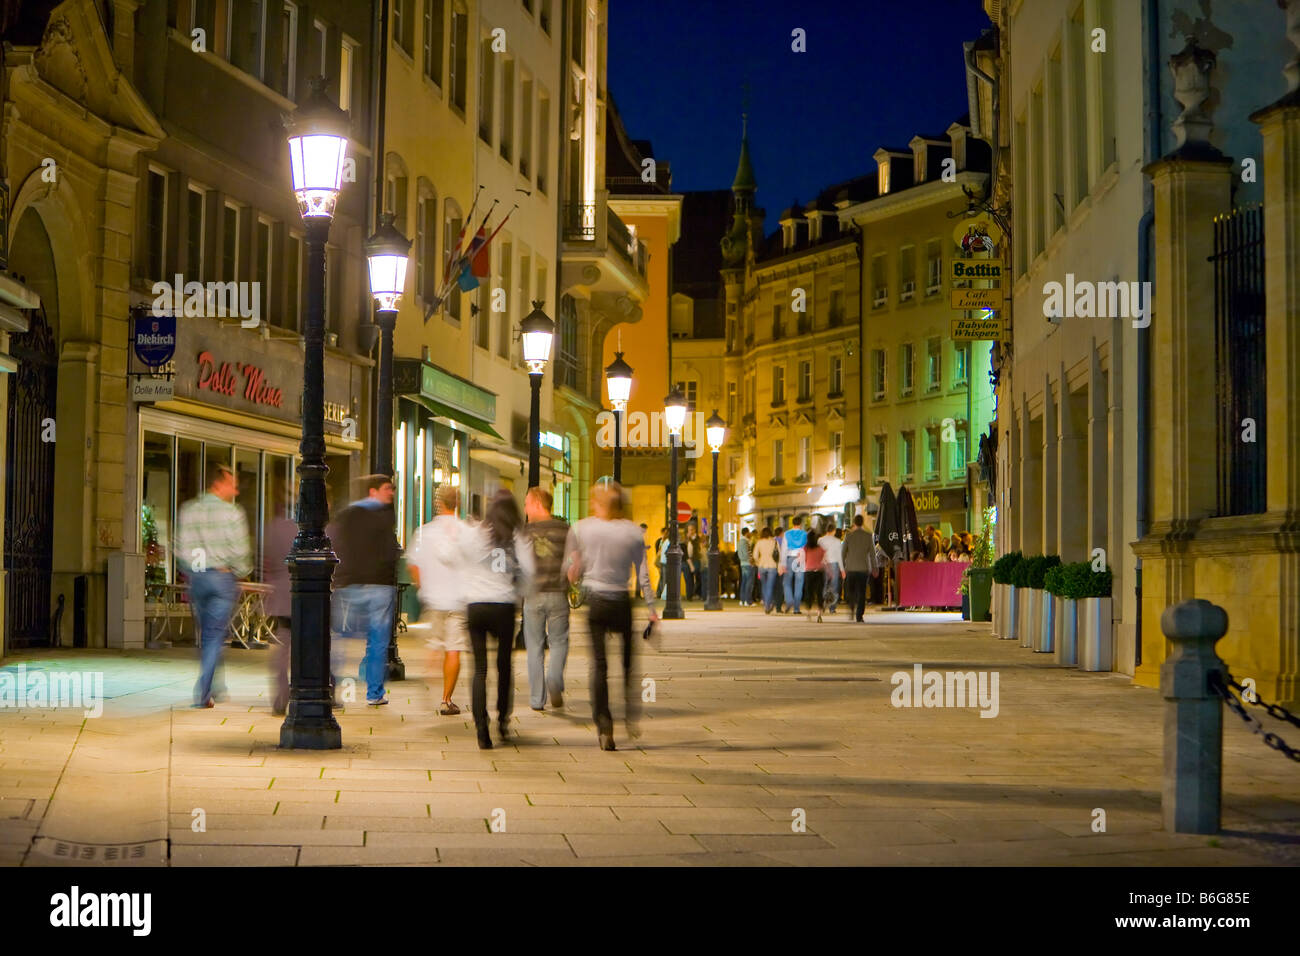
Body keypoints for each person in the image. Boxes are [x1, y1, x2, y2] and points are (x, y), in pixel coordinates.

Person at [563, 481, 658, 752]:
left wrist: (574, 575)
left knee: (599, 665)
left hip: (596, 602)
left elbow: (570, 569)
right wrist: (652, 608)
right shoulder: (633, 532)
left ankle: (605, 727)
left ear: (597, 503)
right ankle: (630, 714)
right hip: (621, 601)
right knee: (628, 664)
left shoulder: (581, 528)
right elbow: (643, 574)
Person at [459, 490, 534, 749]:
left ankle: (481, 728)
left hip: (476, 606)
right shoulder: (517, 537)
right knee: (504, 667)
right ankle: (503, 720)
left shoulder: (475, 533)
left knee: (479, 669)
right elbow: (529, 572)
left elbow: (459, 559)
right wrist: (519, 594)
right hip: (503, 606)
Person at [176, 462, 252, 708]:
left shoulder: (189, 510)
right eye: (233, 485)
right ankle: (203, 692)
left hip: (198, 579)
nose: (236, 492)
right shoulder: (232, 513)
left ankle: (217, 687)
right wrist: (241, 572)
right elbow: (239, 550)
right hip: (221, 578)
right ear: (219, 483)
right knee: (213, 635)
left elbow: (183, 548)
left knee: (209, 634)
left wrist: (194, 571)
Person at [325, 475, 401, 706]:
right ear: (373, 491)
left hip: (349, 584)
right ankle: (374, 693)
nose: (392, 493)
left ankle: (330, 687)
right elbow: (390, 550)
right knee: (377, 641)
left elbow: (337, 544)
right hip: (378, 586)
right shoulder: (384, 515)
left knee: (338, 637)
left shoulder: (346, 515)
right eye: (387, 488)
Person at [407, 484, 470, 716]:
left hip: (434, 600)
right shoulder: (466, 531)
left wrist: (423, 585)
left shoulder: (425, 532)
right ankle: (446, 699)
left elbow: (413, 564)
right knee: (453, 649)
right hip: (458, 601)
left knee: (434, 643)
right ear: (458, 504)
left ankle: (429, 680)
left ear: (439, 503)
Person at [520, 487, 570, 711]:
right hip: (558, 594)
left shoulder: (525, 532)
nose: (525, 508)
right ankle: (555, 679)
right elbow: (574, 561)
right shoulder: (565, 530)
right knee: (559, 642)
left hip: (533, 595)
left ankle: (536, 700)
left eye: (527, 503)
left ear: (538, 504)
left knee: (535, 647)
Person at [264, 493, 297, 715]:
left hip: (283, 598)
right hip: (309, 598)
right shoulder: (317, 530)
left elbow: (265, 562)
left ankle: (280, 697)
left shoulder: (273, 529)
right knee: (312, 647)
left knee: (283, 648)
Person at [841, 514, 878, 623]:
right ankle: (859, 615)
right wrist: (875, 567)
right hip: (863, 569)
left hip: (850, 568)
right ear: (862, 523)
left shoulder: (848, 536)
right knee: (862, 593)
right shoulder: (868, 536)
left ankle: (851, 606)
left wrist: (842, 567)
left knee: (850, 591)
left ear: (854, 523)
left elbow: (842, 554)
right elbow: (872, 554)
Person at [777, 519, 807, 615]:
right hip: (800, 558)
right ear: (800, 524)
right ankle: (796, 608)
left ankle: (789, 601)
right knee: (799, 583)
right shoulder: (804, 534)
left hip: (790, 558)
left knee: (787, 582)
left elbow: (784, 549)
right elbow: (806, 548)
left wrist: (782, 563)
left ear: (792, 524)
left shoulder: (787, 534)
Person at [753, 527, 780, 614]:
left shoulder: (759, 542)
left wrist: (758, 562)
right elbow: (779, 554)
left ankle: (766, 604)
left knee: (763, 586)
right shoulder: (774, 542)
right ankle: (768, 604)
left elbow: (755, 555)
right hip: (772, 566)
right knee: (770, 586)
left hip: (761, 566)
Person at [803, 531, 827, 623]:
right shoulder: (820, 549)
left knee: (809, 593)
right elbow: (824, 560)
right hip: (819, 572)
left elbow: (804, 560)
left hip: (809, 572)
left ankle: (808, 613)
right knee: (819, 593)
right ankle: (819, 614)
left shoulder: (806, 548)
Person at [822, 526, 843, 615]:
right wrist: (842, 569)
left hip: (824, 564)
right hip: (834, 563)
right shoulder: (837, 541)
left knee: (824, 585)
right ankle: (832, 607)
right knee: (834, 586)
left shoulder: (820, 540)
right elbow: (839, 557)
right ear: (833, 531)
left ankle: (823, 603)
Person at [736, 527, 755, 606]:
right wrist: (751, 561)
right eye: (749, 532)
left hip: (742, 564)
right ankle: (748, 600)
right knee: (749, 583)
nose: (750, 534)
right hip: (748, 564)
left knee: (744, 582)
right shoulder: (745, 542)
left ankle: (742, 599)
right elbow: (748, 553)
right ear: (746, 533)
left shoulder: (739, 541)